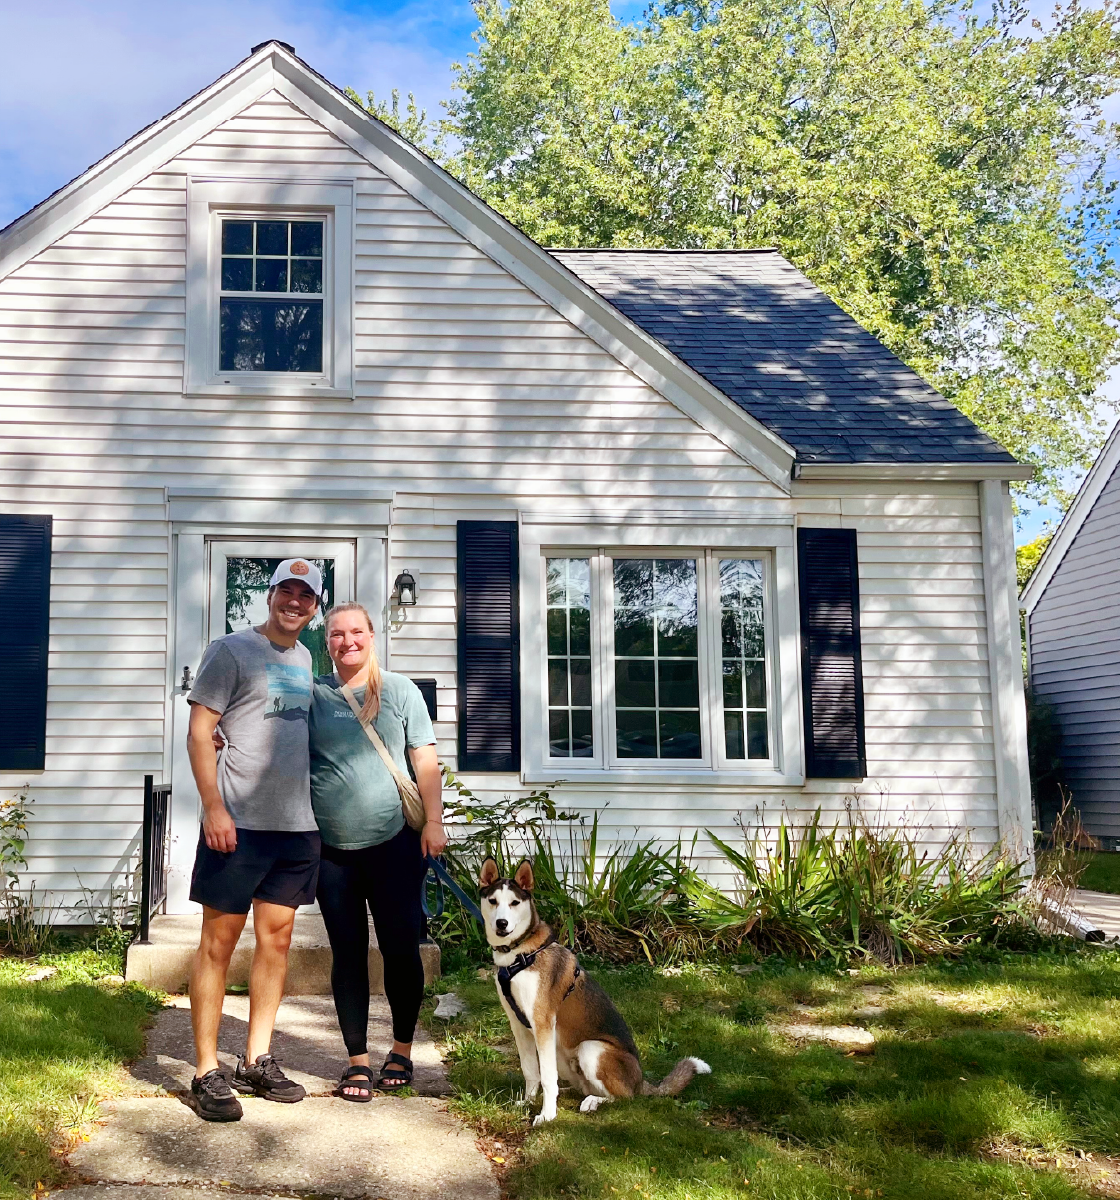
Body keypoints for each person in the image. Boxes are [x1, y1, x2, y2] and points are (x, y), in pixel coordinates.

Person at [183, 559, 324, 1121]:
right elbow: (199, 732)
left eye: (305, 595)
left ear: (315, 606)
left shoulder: (308, 657)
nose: (294, 602)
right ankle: (205, 1069)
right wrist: (213, 807)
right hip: (237, 824)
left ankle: (257, 1058)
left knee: (277, 944)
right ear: (269, 597)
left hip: (296, 828)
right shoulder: (231, 651)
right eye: (285, 592)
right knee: (217, 945)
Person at [310, 602, 447, 1100]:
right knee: (346, 952)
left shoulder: (401, 692)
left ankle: (403, 1051)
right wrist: (226, 736)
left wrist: (433, 821)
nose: (347, 642)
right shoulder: (313, 695)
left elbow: (425, 762)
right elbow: (276, 746)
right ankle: (357, 1062)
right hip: (332, 852)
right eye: (336, 635)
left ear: (372, 635)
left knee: (399, 949)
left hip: (395, 845)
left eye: (356, 632)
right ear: (326, 643)